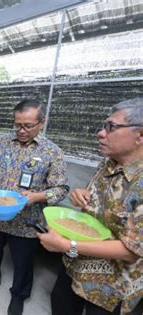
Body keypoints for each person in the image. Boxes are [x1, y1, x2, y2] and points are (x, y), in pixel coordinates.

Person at [37, 98, 142, 315]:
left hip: (111, 286)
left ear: (139, 135)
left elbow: (131, 251)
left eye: (111, 127)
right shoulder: (108, 162)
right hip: (76, 266)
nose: (101, 133)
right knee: (61, 304)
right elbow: (96, 198)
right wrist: (80, 194)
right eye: (104, 126)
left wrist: (67, 246)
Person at [0, 99, 69, 315]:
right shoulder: (3, 141)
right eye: (17, 125)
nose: (21, 130)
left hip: (27, 220)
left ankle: (19, 294)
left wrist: (38, 196)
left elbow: (61, 189)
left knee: (23, 261)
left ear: (42, 122)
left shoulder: (52, 152)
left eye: (28, 126)